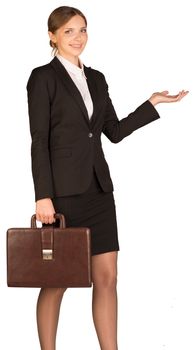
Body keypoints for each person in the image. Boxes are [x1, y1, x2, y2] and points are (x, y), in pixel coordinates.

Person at [27, 5, 188, 350]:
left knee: (108, 278)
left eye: (83, 30)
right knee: (57, 279)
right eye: (68, 31)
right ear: (52, 36)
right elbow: (39, 139)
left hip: (99, 192)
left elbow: (112, 131)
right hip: (62, 196)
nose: (77, 37)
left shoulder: (97, 79)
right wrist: (43, 196)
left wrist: (152, 103)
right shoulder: (43, 78)